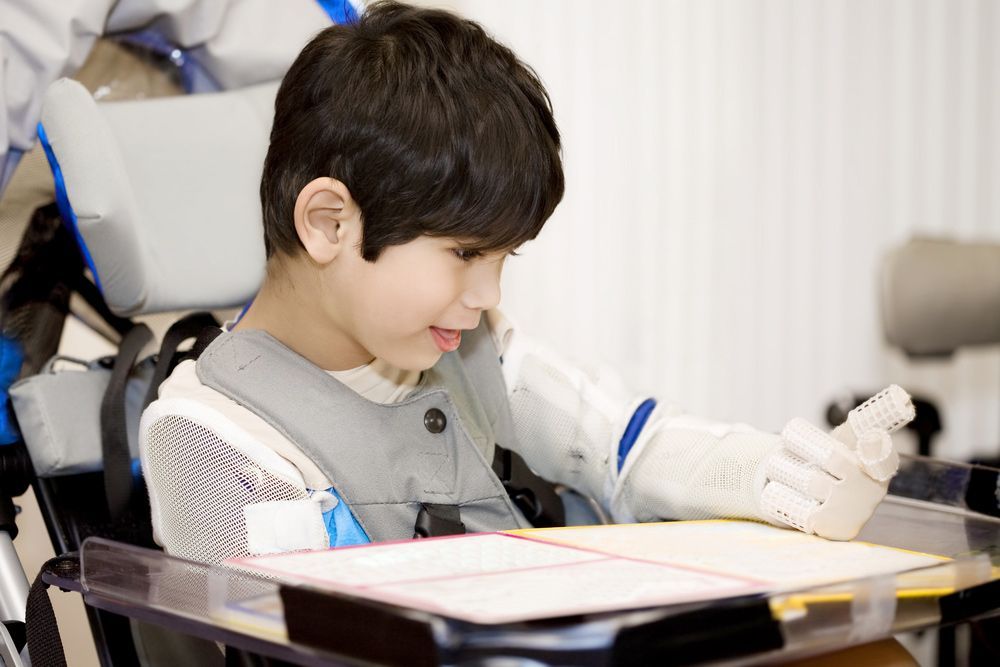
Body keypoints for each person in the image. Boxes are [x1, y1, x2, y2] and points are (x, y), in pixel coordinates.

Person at [139, 0, 906, 566]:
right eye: (467, 253)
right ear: (330, 224)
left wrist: (779, 476)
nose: (487, 297)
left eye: (505, 260)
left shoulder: (472, 354)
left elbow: (629, 449)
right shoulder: (212, 440)